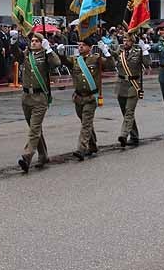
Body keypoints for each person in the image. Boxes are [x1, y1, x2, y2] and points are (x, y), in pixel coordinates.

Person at [18, 33, 60, 173]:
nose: (34, 43)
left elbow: (56, 64)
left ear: (42, 43)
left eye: (37, 41)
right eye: (33, 41)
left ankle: (27, 156)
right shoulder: (27, 54)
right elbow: (15, 56)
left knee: (34, 129)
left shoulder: (46, 55)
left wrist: (49, 50)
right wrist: (13, 43)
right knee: (34, 128)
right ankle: (43, 155)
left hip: (40, 97)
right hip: (26, 96)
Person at [66, 37, 108, 160]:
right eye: (79, 45)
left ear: (90, 47)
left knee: (86, 123)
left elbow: (110, 65)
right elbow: (61, 62)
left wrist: (105, 52)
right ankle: (93, 145)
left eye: (83, 45)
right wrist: (60, 52)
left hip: (91, 97)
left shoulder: (96, 58)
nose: (80, 47)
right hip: (78, 97)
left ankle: (81, 149)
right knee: (86, 122)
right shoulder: (75, 60)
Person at [111, 32, 150, 147]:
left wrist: (145, 51)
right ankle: (134, 136)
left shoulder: (138, 52)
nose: (125, 42)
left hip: (134, 85)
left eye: (127, 40)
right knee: (125, 112)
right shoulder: (120, 51)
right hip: (121, 84)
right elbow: (112, 58)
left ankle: (123, 135)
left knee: (129, 111)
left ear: (132, 42)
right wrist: (105, 50)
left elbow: (148, 63)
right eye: (123, 40)